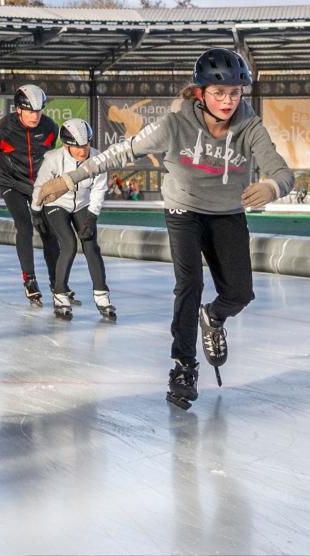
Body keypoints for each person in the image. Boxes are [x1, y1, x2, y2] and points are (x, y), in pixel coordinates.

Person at [36, 48, 294, 410]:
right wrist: (69, 177)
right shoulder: (174, 124)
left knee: (240, 294)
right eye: (219, 93)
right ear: (201, 92)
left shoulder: (249, 126)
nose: (228, 101)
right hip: (183, 209)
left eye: (235, 93)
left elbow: (283, 172)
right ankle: (183, 367)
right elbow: (120, 152)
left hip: (228, 212)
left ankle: (214, 316)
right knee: (190, 284)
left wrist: (272, 187)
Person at [32, 118, 116, 321]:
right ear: (66, 145)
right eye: (76, 147)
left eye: (86, 145)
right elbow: (40, 186)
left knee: (90, 245)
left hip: (83, 204)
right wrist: (36, 212)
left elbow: (99, 189)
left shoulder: (97, 158)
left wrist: (92, 217)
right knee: (69, 244)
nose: (82, 151)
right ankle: (60, 295)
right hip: (57, 203)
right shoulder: (53, 159)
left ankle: (102, 295)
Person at [0, 84, 61, 306]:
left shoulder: (50, 127)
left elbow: (49, 156)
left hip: (38, 186)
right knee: (24, 225)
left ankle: (58, 283)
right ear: (18, 109)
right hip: (12, 184)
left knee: (48, 231)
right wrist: (12, 168)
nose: (35, 116)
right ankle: (29, 279)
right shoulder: (1, 128)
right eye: (30, 111)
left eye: (39, 111)